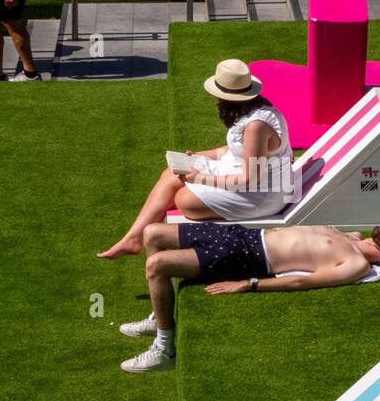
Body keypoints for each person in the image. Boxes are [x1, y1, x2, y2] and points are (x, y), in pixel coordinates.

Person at [118, 223, 380, 372]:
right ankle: (159, 316)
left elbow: (303, 283)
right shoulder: (353, 237)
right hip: (248, 235)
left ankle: (164, 348)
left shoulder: (356, 265)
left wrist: (249, 284)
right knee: (152, 234)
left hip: (249, 256)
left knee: (156, 265)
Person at [97, 59, 292, 259]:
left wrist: (199, 178)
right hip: (240, 175)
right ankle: (134, 238)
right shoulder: (253, 113)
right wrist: (200, 155)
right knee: (171, 173)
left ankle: (142, 239)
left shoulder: (256, 126)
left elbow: (249, 179)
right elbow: (234, 149)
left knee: (184, 199)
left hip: (260, 194)